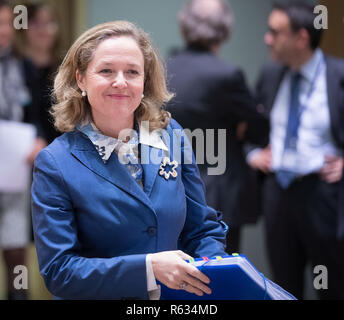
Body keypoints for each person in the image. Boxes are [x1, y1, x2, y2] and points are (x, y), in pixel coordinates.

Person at [31, 20, 228, 300]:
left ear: (145, 81)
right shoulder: (54, 162)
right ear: (81, 79)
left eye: (132, 72)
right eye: (106, 70)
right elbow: (59, 271)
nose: (121, 81)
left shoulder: (171, 134)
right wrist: (149, 269)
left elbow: (201, 229)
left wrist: (214, 271)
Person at [247, 1, 344, 299]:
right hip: (278, 193)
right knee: (282, 286)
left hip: (322, 194)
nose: (267, 39)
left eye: (275, 32)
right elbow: (250, 127)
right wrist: (253, 154)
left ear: (302, 38)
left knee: (331, 283)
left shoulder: (338, 75)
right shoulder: (270, 74)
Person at [166, 0, 267, 254]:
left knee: (177, 271)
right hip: (220, 194)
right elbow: (260, 131)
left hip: (170, 188)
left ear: (183, 26)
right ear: (225, 31)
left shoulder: (163, 69)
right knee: (221, 273)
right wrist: (240, 128)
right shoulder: (227, 74)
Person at [0, 0, 45, 300]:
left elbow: (38, 115)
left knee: (16, 248)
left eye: (7, 23)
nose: (4, 31)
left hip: (14, 170)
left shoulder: (23, 66)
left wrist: (39, 139)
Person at [19, 2, 61, 144]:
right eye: (36, 23)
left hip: (60, 148)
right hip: (22, 151)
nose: (43, 30)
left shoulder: (65, 69)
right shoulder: (13, 70)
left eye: (49, 23)